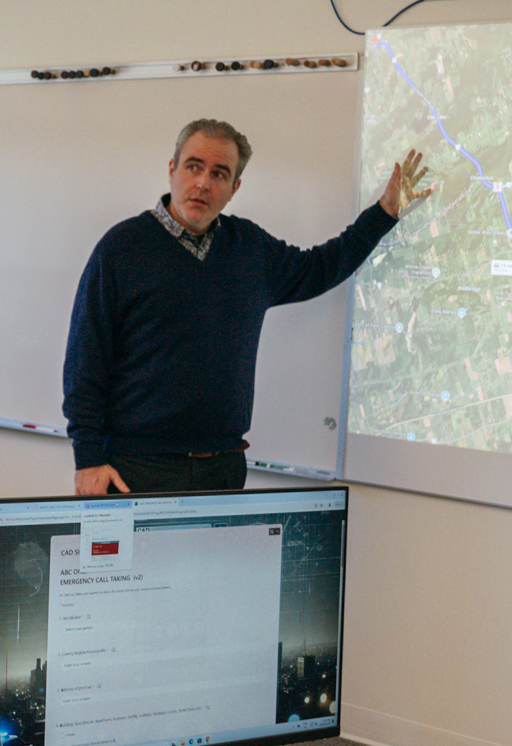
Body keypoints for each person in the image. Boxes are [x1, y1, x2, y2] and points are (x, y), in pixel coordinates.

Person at [65, 120, 434, 495]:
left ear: (234, 188)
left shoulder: (250, 250)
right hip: (135, 470)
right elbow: (84, 362)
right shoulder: (122, 249)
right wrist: (88, 458)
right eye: (194, 167)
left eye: (219, 174)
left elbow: (322, 267)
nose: (203, 183)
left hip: (223, 470)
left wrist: (385, 211)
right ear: (173, 169)